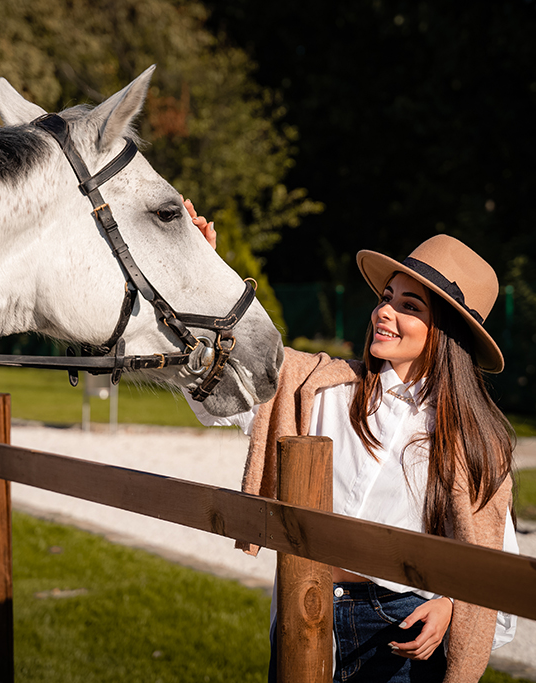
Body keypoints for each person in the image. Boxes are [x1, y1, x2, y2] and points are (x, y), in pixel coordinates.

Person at [183, 199, 518, 683]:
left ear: (445, 331)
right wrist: (199, 271)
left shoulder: (474, 441)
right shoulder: (321, 387)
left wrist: (449, 606)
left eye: (409, 306)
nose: (384, 312)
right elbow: (226, 378)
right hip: (304, 607)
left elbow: (494, 563)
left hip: (401, 632)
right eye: (386, 297)